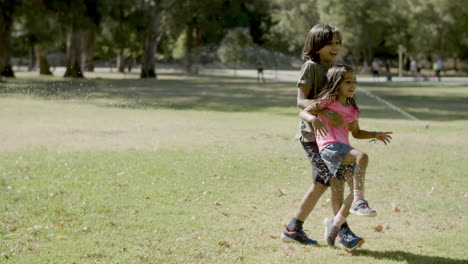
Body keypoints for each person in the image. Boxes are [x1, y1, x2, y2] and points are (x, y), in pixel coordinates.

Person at [280, 24, 364, 251]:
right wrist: (324, 112)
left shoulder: (335, 69)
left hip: (332, 138)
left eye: (338, 43)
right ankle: (340, 232)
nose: (335, 47)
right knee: (331, 180)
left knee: (325, 181)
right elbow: (300, 100)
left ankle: (294, 228)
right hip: (312, 136)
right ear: (317, 46)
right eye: (330, 43)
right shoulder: (311, 67)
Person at [299, 64, 392, 246]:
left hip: (343, 149)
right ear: (336, 83)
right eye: (348, 82)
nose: (353, 85)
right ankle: (360, 201)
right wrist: (314, 119)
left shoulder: (352, 109)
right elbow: (303, 111)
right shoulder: (326, 101)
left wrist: (375, 134)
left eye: (355, 82)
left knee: (345, 190)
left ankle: (334, 226)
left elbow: (356, 133)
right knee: (362, 157)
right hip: (329, 148)